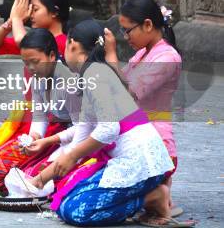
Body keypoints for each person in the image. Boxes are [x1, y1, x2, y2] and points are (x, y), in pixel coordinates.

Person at [16, 21, 191, 227]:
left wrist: (71, 156)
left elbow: (109, 129)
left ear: (72, 45)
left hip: (141, 163)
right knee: (65, 201)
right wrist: (40, 179)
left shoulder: (96, 75)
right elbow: (81, 135)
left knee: (76, 212)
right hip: (130, 162)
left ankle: (151, 198)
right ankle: (149, 196)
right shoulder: (89, 75)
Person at [0, 0, 70, 190]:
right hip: (30, 123)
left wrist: (18, 20)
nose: (31, 14)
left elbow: (23, 41)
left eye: (35, 9)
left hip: (55, 127)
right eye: (29, 9)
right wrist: (10, 23)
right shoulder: (32, 43)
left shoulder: (64, 43)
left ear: (55, 12)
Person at [104, 0, 183, 218]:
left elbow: (127, 93)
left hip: (156, 145)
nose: (125, 37)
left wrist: (111, 56)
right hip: (135, 136)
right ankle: (156, 196)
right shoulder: (142, 53)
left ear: (148, 25)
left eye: (128, 30)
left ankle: (160, 196)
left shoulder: (168, 57)